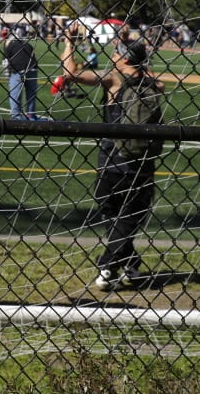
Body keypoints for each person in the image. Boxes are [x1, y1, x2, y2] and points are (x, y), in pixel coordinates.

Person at [61, 29, 164, 291]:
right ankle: (130, 264)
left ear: (126, 59)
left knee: (114, 214)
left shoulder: (114, 81)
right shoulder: (154, 84)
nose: (113, 55)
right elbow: (155, 78)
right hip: (143, 163)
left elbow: (69, 73)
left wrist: (69, 42)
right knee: (128, 216)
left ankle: (107, 266)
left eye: (117, 52)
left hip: (111, 162)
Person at [4, 30, 40, 120]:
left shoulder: (10, 46)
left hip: (18, 70)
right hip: (33, 68)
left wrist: (8, 77)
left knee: (15, 94)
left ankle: (16, 116)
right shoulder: (28, 44)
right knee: (31, 94)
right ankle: (31, 115)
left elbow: (5, 63)